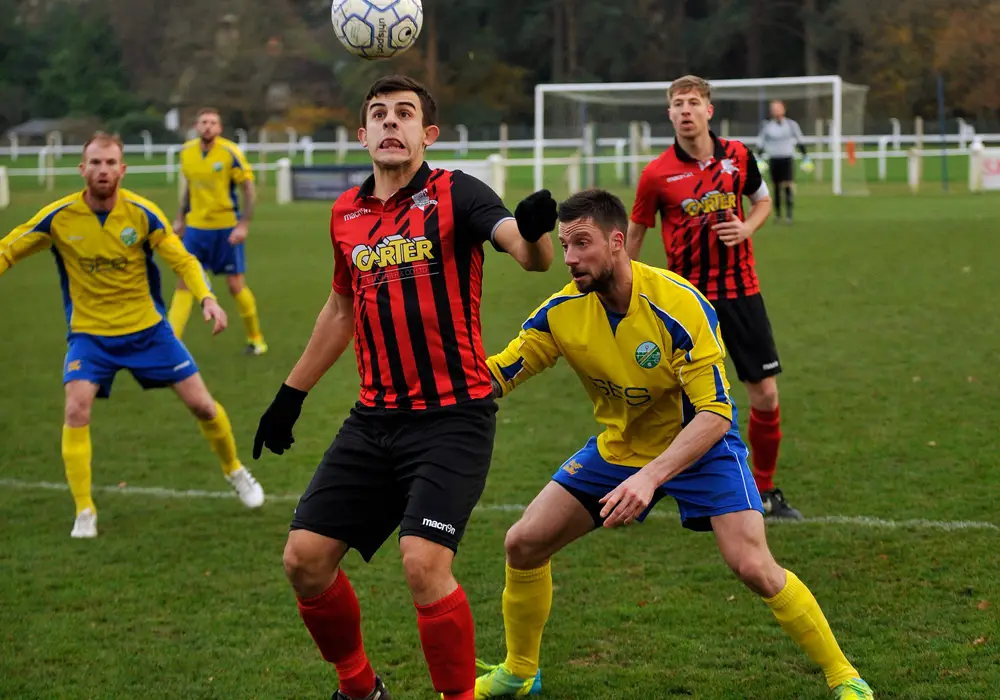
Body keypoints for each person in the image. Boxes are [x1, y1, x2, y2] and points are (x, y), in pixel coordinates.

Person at [475, 188, 874, 700]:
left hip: (700, 448)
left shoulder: (677, 304)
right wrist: (438, 383)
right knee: (523, 543)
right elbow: (502, 372)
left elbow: (714, 412)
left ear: (617, 242)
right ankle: (520, 672)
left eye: (582, 243)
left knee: (753, 565)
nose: (570, 257)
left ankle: (845, 677)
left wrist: (651, 476)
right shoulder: (562, 311)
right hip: (622, 448)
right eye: (564, 244)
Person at [252, 75, 556, 700]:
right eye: (380, 115)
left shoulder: (458, 193)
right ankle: (360, 689)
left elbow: (527, 255)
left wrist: (534, 231)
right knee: (303, 561)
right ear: (362, 134)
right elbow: (341, 308)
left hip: (453, 418)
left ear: (428, 133)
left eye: (406, 114)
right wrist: (291, 395)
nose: (393, 124)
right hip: (375, 419)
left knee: (423, 563)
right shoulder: (346, 213)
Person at [0, 132, 265, 539]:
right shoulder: (59, 217)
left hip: (148, 332)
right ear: (82, 168)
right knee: (76, 410)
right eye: (95, 163)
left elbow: (182, 259)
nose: (103, 170)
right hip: (90, 337)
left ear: (122, 170)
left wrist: (207, 299)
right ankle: (84, 509)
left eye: (110, 163)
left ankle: (234, 470)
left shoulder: (142, 213)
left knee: (205, 407)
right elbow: (9, 249)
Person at [627, 74, 801, 520]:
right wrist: (623, 287)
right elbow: (636, 233)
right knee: (683, 405)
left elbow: (761, 201)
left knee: (764, 393)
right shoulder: (657, 173)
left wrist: (747, 228)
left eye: (693, 102)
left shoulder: (738, 157)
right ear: (669, 114)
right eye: (677, 104)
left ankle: (763, 492)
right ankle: (668, 489)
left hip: (742, 292)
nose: (685, 110)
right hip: (687, 302)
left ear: (709, 110)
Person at [167, 107, 267, 356]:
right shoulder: (187, 153)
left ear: (219, 128)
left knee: (235, 286)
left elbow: (249, 189)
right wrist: (180, 219)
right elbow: (189, 189)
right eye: (203, 122)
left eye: (213, 122)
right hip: (196, 229)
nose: (208, 126)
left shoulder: (230, 152)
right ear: (196, 126)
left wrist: (243, 224)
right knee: (184, 283)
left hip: (225, 230)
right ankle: (170, 344)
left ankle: (256, 339)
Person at [757, 99, 812, 224]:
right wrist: (758, 158)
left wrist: (805, 157)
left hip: (787, 159)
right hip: (774, 159)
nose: (775, 110)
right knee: (775, 187)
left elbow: (799, 140)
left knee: (787, 186)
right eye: (773, 108)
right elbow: (761, 142)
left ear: (783, 109)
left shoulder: (791, 124)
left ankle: (789, 215)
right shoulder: (767, 126)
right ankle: (778, 215)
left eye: (778, 108)